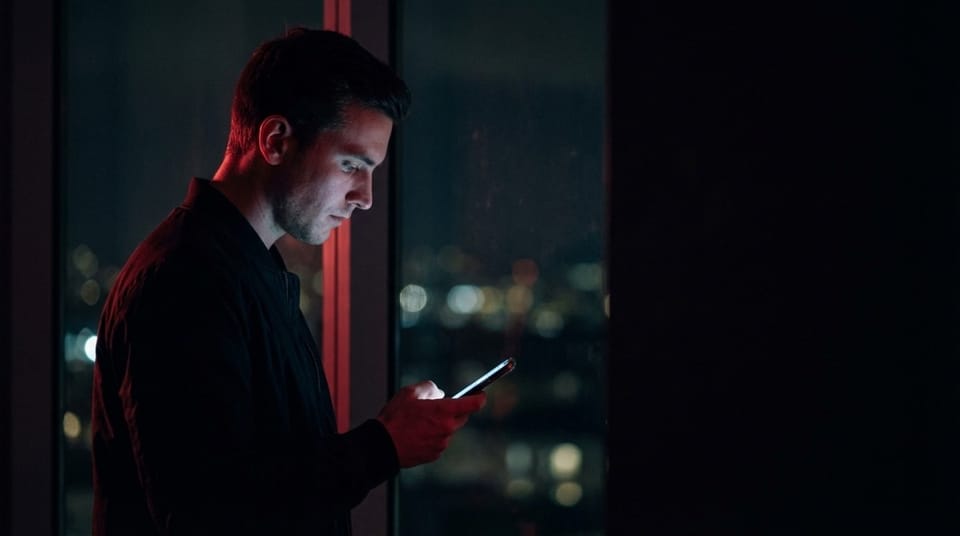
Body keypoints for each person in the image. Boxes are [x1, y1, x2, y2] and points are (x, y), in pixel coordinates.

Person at [90, 27, 486, 536]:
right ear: (276, 140)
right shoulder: (184, 282)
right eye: (351, 165)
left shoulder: (245, 271)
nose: (364, 196)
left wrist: (384, 441)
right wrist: (382, 445)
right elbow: (207, 512)